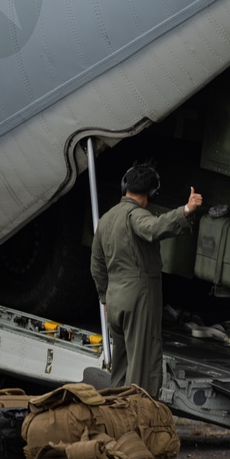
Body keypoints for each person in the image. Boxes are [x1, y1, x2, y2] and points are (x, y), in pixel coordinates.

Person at [90, 162, 202, 397]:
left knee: (120, 369)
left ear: (125, 186)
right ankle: (135, 424)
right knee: (142, 368)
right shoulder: (136, 216)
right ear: (152, 193)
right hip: (138, 299)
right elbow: (155, 227)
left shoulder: (107, 219)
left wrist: (104, 297)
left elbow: (97, 265)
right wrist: (186, 211)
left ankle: (115, 419)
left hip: (115, 301)